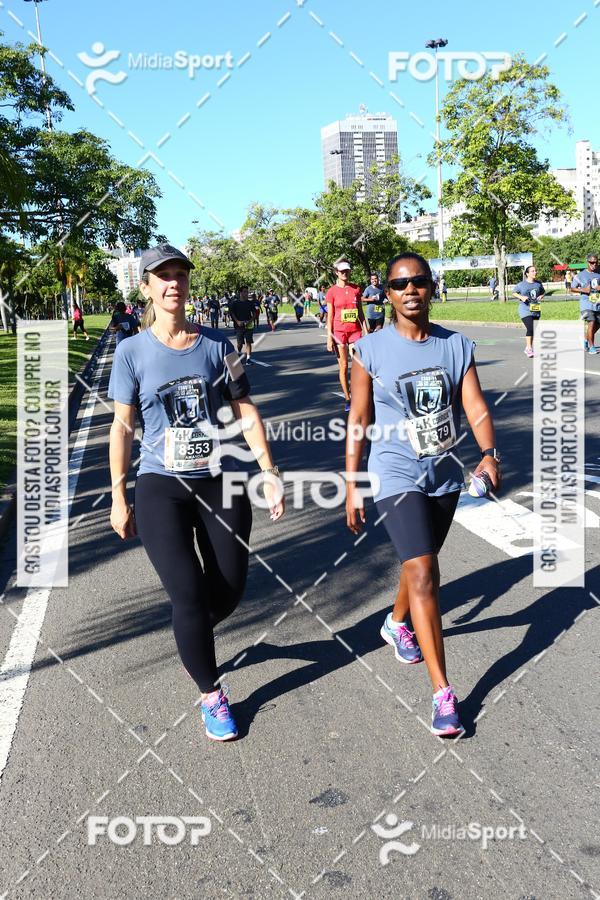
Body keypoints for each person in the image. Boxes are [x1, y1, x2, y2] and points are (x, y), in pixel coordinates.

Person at [108, 243, 284, 743]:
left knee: (228, 589)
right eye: (161, 277)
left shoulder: (217, 345)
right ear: (146, 287)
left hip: (219, 478)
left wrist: (268, 468)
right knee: (186, 594)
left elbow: (244, 409)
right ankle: (212, 693)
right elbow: (122, 429)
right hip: (161, 486)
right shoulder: (131, 352)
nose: (172, 284)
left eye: (179, 275)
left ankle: (192, 635)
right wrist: (119, 496)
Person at [346, 251, 500, 737]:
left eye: (418, 281)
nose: (410, 290)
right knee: (424, 569)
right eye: (399, 284)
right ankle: (443, 693)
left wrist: (489, 452)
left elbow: (473, 403)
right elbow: (359, 419)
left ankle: (397, 622)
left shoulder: (456, 346)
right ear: (386, 294)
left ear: (431, 287)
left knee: (420, 561)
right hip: (393, 472)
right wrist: (352, 482)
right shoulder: (369, 351)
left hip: (444, 474)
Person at [326, 260, 366, 413]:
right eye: (342, 271)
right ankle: (348, 398)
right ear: (336, 272)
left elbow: (360, 313)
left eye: (347, 271)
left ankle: (359, 394)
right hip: (339, 333)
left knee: (359, 364)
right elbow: (330, 316)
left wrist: (366, 331)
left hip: (355, 332)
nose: (345, 273)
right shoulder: (332, 292)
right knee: (343, 366)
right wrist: (329, 338)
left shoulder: (356, 289)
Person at [512, 265, 545, 358]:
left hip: (535, 308)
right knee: (530, 328)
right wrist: (521, 297)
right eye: (533, 271)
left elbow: (543, 292)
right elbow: (514, 292)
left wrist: (541, 296)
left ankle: (528, 347)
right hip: (525, 309)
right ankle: (530, 348)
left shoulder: (538, 284)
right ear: (527, 274)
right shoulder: (521, 284)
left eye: (535, 270)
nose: (535, 272)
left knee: (533, 330)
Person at [572, 255, 600, 353]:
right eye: (592, 262)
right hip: (586, 303)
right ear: (587, 262)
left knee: (597, 324)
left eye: (596, 262)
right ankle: (592, 347)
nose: (594, 264)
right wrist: (583, 289)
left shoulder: (599, 272)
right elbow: (572, 288)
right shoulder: (581, 275)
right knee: (591, 322)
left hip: (597, 303)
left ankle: (586, 339)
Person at [230, 285, 255, 364]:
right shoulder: (235, 303)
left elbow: (254, 314)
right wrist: (237, 321)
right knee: (239, 343)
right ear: (240, 293)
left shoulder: (249, 303)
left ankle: (248, 358)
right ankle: (239, 352)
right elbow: (232, 313)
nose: (246, 293)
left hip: (248, 325)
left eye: (247, 292)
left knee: (248, 342)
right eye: (244, 292)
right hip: (239, 326)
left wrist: (250, 321)